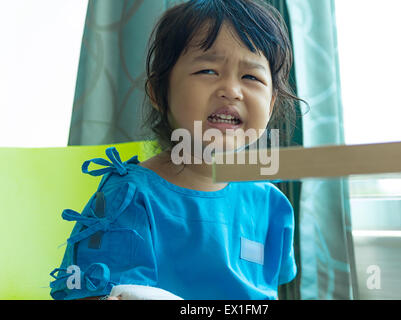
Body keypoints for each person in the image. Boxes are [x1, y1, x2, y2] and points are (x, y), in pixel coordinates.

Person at [49, 0, 302, 300]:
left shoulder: (271, 203)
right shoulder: (128, 198)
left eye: (251, 77)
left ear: (271, 103)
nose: (231, 90)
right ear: (159, 92)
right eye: (208, 70)